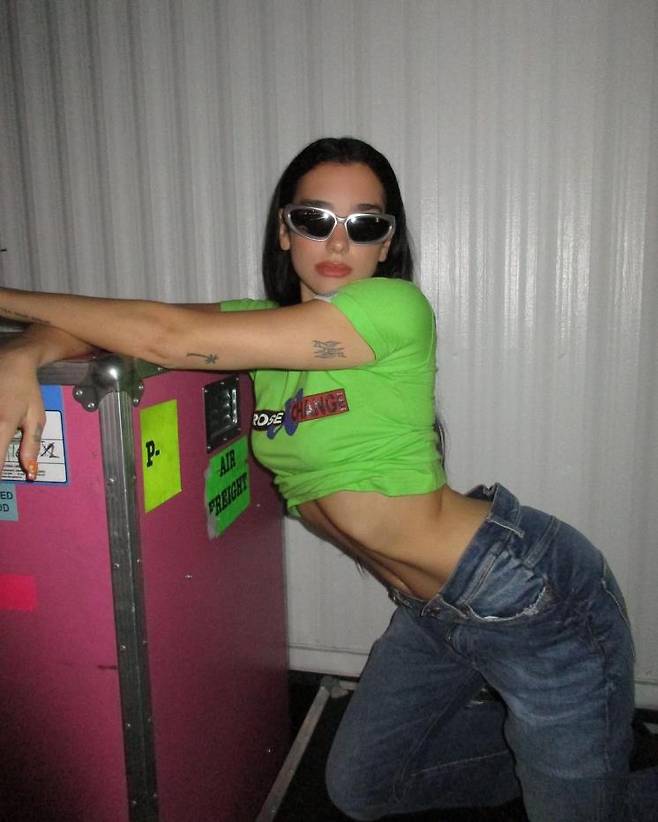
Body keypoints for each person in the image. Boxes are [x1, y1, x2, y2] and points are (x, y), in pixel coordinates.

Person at [0, 137, 656, 821]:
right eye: (315, 219)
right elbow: (123, 330)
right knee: (363, 789)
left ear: (386, 244)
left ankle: (595, 769)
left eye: (364, 224)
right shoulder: (260, 329)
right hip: (432, 613)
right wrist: (28, 349)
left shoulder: (396, 309)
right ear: (285, 231)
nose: (337, 241)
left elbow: (162, 336)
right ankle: (588, 755)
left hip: (533, 597)